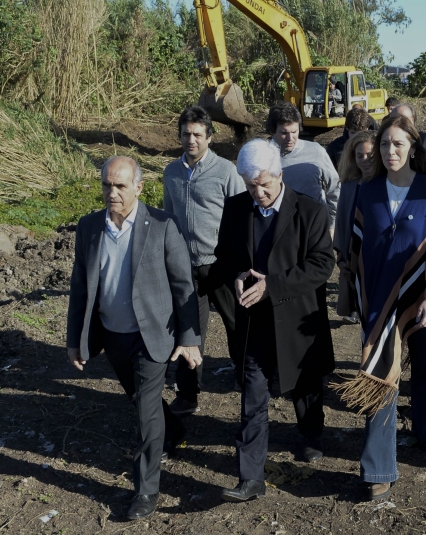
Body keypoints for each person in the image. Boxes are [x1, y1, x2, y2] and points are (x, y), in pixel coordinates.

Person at [333, 114, 426, 502]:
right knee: (381, 373)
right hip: (377, 301)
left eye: (397, 144)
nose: (390, 151)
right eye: (384, 145)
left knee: (423, 363)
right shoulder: (368, 191)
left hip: (420, 298)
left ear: (412, 147)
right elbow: (359, 249)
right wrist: (358, 293)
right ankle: (378, 468)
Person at [67, 156, 201, 521]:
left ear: (139, 187)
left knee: (144, 413)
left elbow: (182, 285)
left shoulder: (161, 225)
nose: (112, 193)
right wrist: (74, 339)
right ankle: (173, 430)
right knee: (140, 399)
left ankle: (145, 491)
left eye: (120, 186)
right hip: (113, 336)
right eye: (107, 186)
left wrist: (189, 338)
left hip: (153, 336)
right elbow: (80, 287)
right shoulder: (90, 227)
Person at [211, 139, 335, 502]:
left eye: (265, 184)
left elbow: (321, 265)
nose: (259, 192)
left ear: (280, 175)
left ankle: (311, 433)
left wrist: (273, 286)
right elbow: (224, 255)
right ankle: (251, 478)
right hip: (255, 322)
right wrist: (235, 273)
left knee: (305, 384)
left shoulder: (309, 211)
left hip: (297, 319)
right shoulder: (236, 209)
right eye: (251, 185)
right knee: (252, 398)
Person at [163, 106, 244, 414]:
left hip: (221, 263)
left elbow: (239, 219)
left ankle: (245, 379)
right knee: (188, 332)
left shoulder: (226, 171)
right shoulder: (171, 172)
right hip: (186, 266)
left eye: (198, 134)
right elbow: (169, 218)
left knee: (236, 324)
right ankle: (187, 393)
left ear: (210, 137)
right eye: (186, 134)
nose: (191, 140)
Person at [267, 102, 340, 238]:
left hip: (315, 228)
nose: (290, 138)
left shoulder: (316, 151)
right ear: (272, 131)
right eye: (284, 133)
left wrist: (332, 224)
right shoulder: (263, 155)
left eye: (294, 132)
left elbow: (334, 188)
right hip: (278, 230)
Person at [333, 131, 375, 324]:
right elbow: (342, 222)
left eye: (370, 155)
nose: (365, 160)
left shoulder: (385, 184)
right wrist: (342, 257)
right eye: (360, 156)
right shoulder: (349, 186)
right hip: (353, 257)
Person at [391, 103, 426, 180]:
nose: (398, 122)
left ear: (412, 119)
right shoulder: (386, 144)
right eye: (394, 119)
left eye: (403, 119)